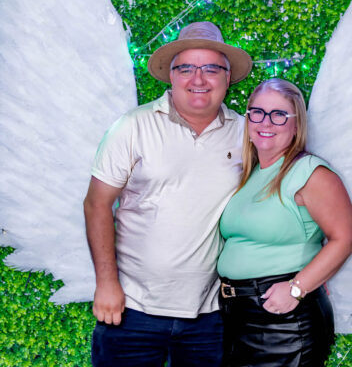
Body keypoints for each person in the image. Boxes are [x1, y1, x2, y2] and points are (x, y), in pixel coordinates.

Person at [83, 21, 252, 367]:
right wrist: (106, 283)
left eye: (211, 69)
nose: (198, 79)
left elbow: (278, 196)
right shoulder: (132, 126)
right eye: (186, 68)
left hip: (211, 315)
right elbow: (97, 204)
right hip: (131, 309)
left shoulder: (247, 134)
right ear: (171, 76)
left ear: (228, 77)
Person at [217, 78, 352, 367]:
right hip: (237, 316)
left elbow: (345, 238)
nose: (265, 122)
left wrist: (297, 288)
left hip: (284, 321)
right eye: (257, 112)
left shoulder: (310, 172)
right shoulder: (251, 176)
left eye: (279, 114)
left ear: (296, 125)